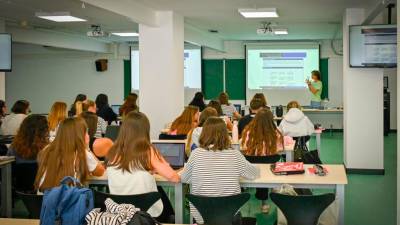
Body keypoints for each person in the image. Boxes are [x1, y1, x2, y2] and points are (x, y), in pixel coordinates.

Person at [181, 117, 259, 224]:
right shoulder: (234, 154)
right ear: (225, 134)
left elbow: (184, 178)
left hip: (202, 218)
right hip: (230, 218)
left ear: (204, 133)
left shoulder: (196, 154)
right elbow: (254, 174)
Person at [107, 111, 179, 218]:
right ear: (145, 131)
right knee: (170, 213)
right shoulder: (148, 151)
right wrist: (159, 162)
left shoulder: (112, 152)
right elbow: (174, 178)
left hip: (119, 213)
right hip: (146, 214)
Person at [35, 117, 105, 192]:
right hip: (70, 201)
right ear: (80, 135)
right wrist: (87, 149)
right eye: (86, 132)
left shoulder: (46, 150)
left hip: (45, 200)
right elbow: (100, 171)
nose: (88, 135)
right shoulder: (81, 153)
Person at [241, 109, 290, 213]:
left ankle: (263, 200)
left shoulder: (248, 131)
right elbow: (280, 149)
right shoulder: (275, 132)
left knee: (258, 167)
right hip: (270, 160)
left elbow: (244, 147)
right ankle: (269, 195)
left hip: (252, 161)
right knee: (267, 164)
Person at [7, 115, 49, 192]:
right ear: (44, 130)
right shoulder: (47, 148)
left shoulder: (13, 147)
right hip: (42, 190)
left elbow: (9, 170)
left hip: (21, 191)